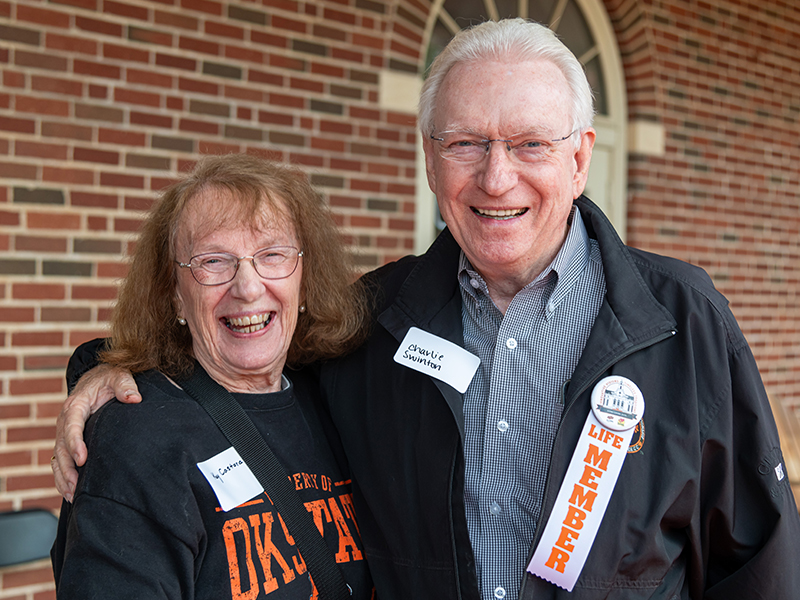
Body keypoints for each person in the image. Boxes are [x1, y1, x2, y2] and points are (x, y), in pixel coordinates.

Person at [53, 19, 800, 600]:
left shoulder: (681, 316)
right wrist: (115, 376)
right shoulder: (370, 321)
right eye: (466, 143)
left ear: (580, 159)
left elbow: (758, 562)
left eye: (530, 144)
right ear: (430, 157)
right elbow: (244, 351)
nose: (496, 176)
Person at [50, 154, 374, 599]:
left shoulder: (340, 398)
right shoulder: (138, 437)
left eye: (272, 255)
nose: (248, 286)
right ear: (175, 296)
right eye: (214, 261)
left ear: (304, 276)